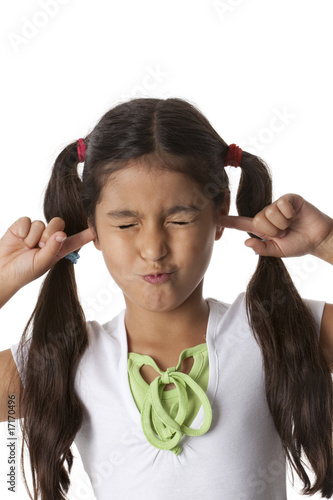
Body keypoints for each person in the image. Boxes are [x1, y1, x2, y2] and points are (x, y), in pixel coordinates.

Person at [0, 97, 332, 500]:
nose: (153, 248)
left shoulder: (276, 328)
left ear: (220, 212)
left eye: (180, 220)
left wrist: (326, 242)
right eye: (125, 223)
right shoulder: (64, 355)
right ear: (93, 228)